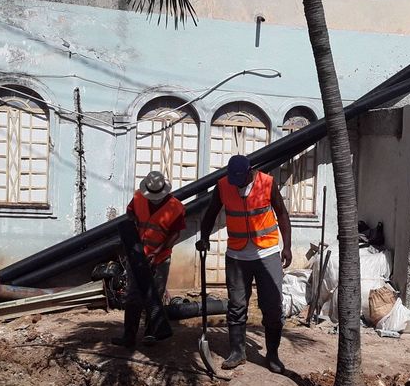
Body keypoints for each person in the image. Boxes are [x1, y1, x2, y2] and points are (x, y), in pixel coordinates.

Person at [195, 155, 292, 373]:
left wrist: (287, 247)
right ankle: (237, 352)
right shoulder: (223, 185)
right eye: (233, 179)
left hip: (266, 252)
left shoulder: (267, 183)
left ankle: (273, 355)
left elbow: (282, 214)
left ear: (250, 171)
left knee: (272, 306)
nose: (236, 183)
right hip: (237, 255)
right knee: (237, 306)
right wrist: (204, 237)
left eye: (240, 178)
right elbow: (210, 213)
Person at [112, 171, 185, 348]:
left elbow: (175, 234)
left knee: (155, 296)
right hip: (137, 255)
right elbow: (130, 214)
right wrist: (133, 234)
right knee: (133, 296)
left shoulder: (176, 207)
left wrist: (157, 252)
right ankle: (129, 336)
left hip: (160, 258)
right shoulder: (138, 198)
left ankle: (151, 334)